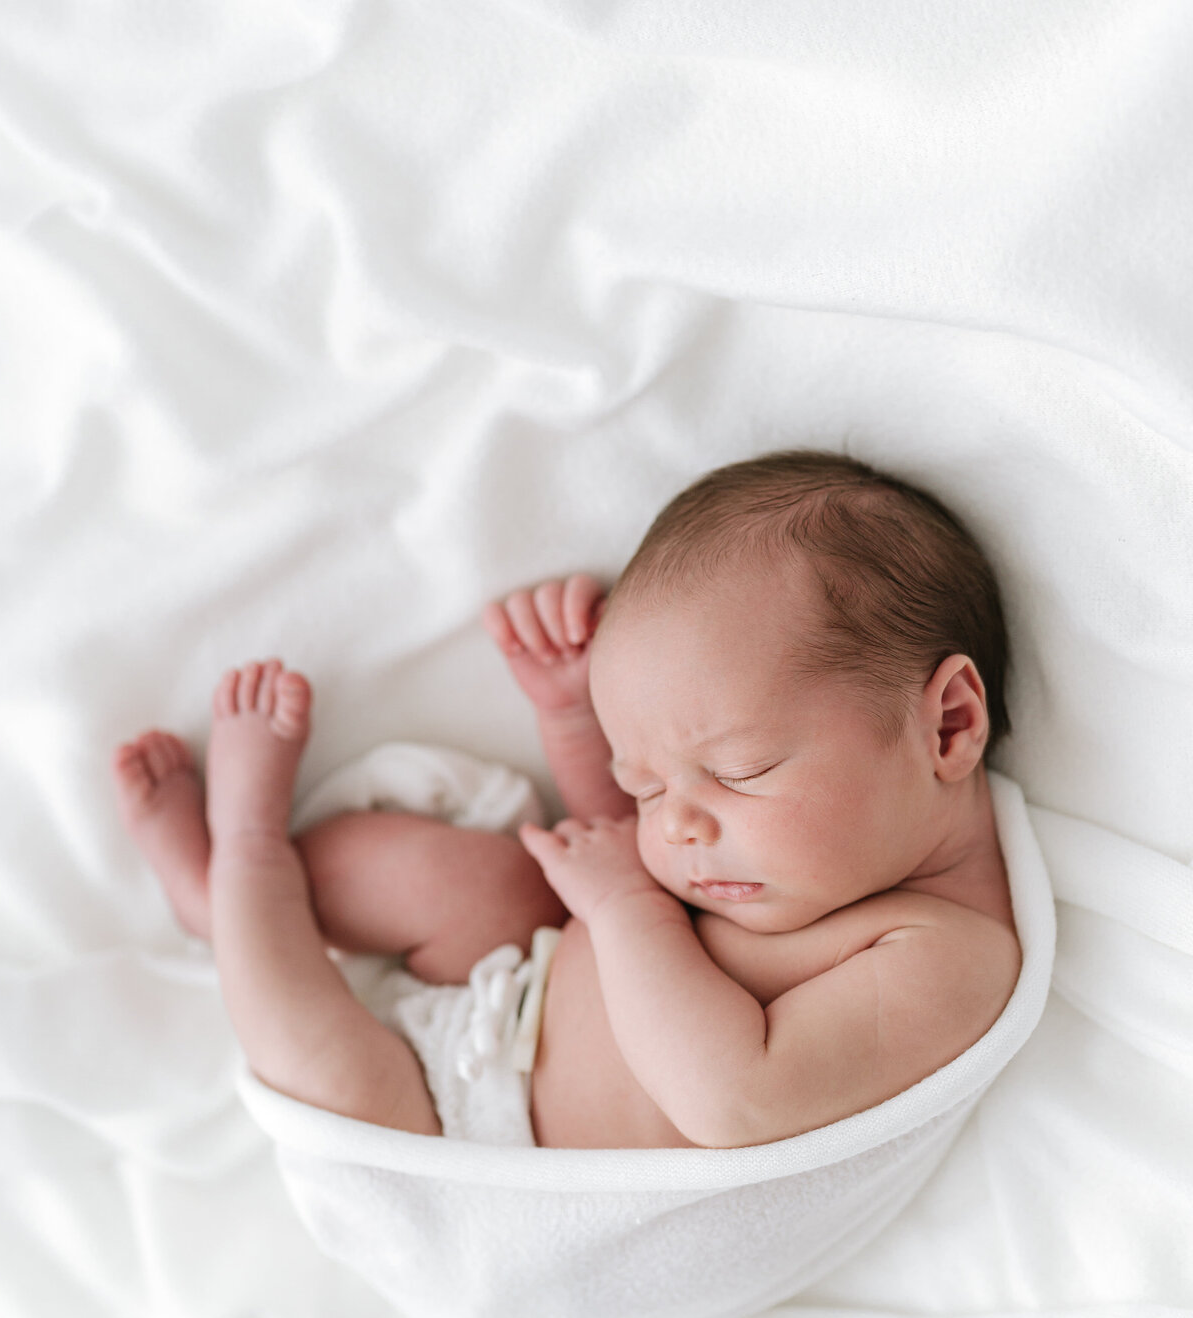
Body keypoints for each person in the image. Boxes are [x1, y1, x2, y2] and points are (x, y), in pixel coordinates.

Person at [112, 450, 1022, 1150]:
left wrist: (625, 906)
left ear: (946, 727)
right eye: (648, 780)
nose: (676, 822)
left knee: (332, 1072)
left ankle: (242, 855)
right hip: (529, 972)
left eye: (739, 771)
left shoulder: (947, 957)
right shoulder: (776, 862)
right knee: (461, 877)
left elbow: (733, 1099)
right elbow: (626, 850)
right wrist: (571, 720)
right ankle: (231, 908)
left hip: (463, 1133)